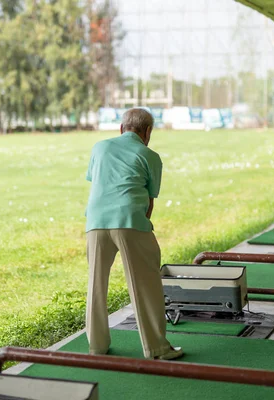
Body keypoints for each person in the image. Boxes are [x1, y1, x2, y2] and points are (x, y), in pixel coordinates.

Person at [84, 108, 183, 360]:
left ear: (121, 128)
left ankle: (97, 346)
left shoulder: (99, 147)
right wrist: (142, 227)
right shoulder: (150, 155)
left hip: (95, 222)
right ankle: (157, 349)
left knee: (96, 284)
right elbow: (149, 203)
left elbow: (97, 183)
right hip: (129, 220)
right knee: (146, 284)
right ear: (147, 132)